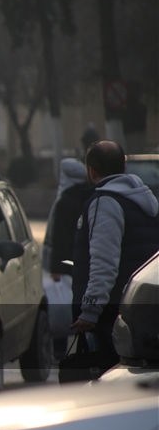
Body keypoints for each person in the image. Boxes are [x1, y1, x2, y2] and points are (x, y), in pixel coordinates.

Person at [71, 141, 159, 366]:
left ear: (91, 171)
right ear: (124, 167)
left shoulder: (105, 202)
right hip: (143, 307)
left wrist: (89, 312)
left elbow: (104, 264)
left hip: (111, 316)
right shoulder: (146, 200)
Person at [43, 158, 93, 355]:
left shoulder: (64, 201)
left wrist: (56, 268)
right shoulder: (87, 196)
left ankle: (59, 350)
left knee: (61, 306)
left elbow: (60, 237)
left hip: (65, 266)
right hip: (84, 263)